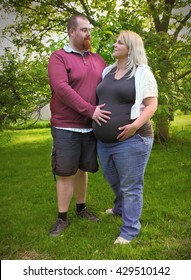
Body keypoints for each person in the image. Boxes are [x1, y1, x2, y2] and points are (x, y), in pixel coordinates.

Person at [48, 14, 111, 237]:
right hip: (66, 126)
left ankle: (81, 209)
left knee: (83, 170)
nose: (88, 34)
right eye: (83, 30)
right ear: (71, 31)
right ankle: (62, 218)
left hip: (91, 127)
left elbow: (109, 86)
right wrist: (90, 110)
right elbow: (62, 90)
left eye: (89, 30)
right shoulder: (59, 58)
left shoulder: (98, 59)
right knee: (65, 172)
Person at [93, 30, 158, 244]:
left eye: (120, 42)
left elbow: (151, 105)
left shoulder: (142, 73)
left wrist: (134, 126)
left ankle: (130, 230)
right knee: (112, 178)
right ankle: (120, 208)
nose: (115, 44)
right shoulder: (107, 72)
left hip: (133, 138)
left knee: (131, 186)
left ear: (131, 48)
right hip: (104, 141)